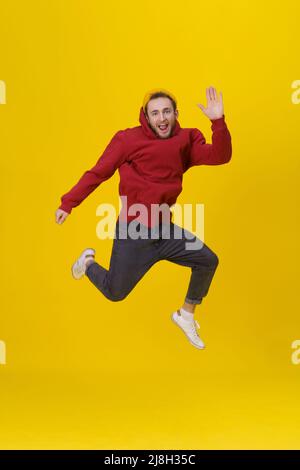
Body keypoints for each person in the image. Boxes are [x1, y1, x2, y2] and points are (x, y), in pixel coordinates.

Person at [55, 87, 232, 349]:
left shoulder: (185, 139)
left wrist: (218, 122)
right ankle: (88, 263)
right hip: (134, 233)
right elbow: (98, 173)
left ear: (175, 114)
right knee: (115, 293)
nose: (162, 118)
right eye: (155, 113)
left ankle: (186, 315)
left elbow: (220, 156)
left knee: (207, 261)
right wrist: (69, 202)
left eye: (167, 112)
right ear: (146, 117)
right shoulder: (128, 140)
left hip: (165, 231)